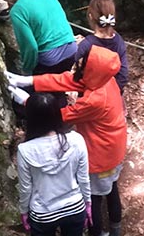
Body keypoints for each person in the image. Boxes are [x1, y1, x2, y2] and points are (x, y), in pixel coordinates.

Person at [10, 45, 127, 236]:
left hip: (101, 154)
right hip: (114, 148)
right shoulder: (104, 79)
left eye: (82, 65)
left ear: (91, 70)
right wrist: (28, 80)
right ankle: (116, 229)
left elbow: (58, 116)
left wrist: (27, 102)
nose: (77, 67)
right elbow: (67, 80)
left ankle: (99, 233)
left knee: (95, 200)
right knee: (112, 189)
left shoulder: (95, 99)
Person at [0, 0, 76, 110]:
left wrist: (27, 70)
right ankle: (63, 119)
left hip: (50, 59)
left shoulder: (17, 11)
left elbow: (30, 46)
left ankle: (49, 125)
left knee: (43, 97)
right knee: (58, 87)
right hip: (71, 48)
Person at [17, 92, 92, 236]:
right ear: (57, 114)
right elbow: (83, 178)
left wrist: (24, 212)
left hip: (43, 213)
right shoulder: (76, 140)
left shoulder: (25, 150)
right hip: (74, 207)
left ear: (31, 118)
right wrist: (87, 204)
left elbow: (26, 188)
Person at [76, 0, 128, 93]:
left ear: (90, 16)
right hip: (113, 94)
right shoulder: (119, 40)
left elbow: (75, 71)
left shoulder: (86, 44)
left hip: (91, 95)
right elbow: (123, 74)